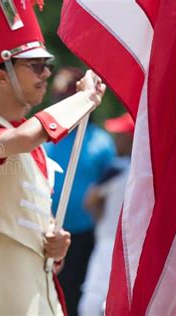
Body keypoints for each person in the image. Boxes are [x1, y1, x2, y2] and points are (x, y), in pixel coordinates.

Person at [0, 0, 106, 315]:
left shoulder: (37, 148)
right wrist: (81, 100)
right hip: (4, 285)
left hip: (41, 286)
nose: (46, 74)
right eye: (36, 65)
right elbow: (22, 138)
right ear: (1, 76)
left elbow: (33, 221)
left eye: (47, 65)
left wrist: (56, 245)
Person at [43, 67, 117, 316]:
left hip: (87, 237)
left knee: (80, 301)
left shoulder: (101, 142)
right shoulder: (43, 139)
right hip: (47, 236)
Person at [78, 113, 134, 316]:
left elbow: (89, 200)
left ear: (130, 138)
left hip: (109, 242)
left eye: (120, 135)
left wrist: (100, 218)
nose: (115, 140)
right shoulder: (151, 168)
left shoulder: (116, 168)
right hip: (135, 245)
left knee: (92, 301)